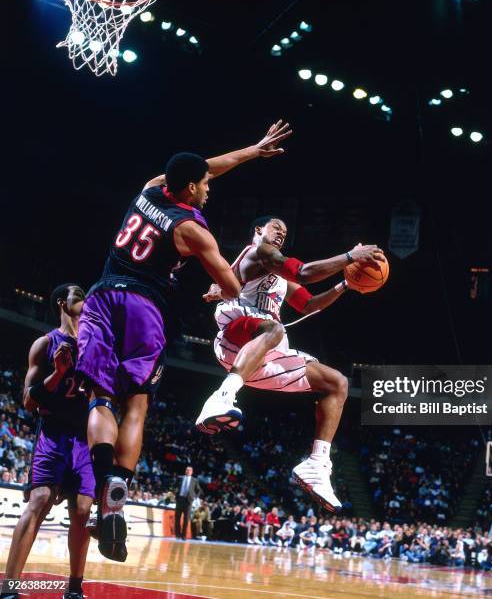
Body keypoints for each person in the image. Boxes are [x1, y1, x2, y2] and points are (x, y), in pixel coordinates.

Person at [75, 121, 292, 561]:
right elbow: (232, 287)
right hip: (144, 309)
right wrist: (226, 280)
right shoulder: (192, 229)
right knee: (136, 403)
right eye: (206, 185)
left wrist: (251, 150)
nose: (210, 187)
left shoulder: (150, 188)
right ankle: (117, 493)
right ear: (191, 188)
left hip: (103, 296)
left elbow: (205, 165)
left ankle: (102, 490)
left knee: (101, 398)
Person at [198, 216, 384, 511]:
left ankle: (318, 464)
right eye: (276, 229)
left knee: (336, 383)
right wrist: (350, 256)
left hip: (261, 355)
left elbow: (309, 305)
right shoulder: (259, 252)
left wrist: (345, 285)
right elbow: (305, 272)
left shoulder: (277, 275)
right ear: (258, 230)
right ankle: (222, 395)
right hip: (236, 339)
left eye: (285, 232)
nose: (282, 234)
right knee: (274, 329)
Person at [1, 284, 93, 599]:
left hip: (84, 439)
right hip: (53, 434)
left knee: (82, 510)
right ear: (61, 303)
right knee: (38, 500)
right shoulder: (45, 343)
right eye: (77, 295)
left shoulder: (95, 346)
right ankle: (9, 587)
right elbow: (27, 401)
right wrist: (57, 373)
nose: (84, 299)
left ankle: (75, 589)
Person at [174, 465, 201, 540]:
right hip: (180, 499)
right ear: (185, 471)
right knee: (177, 518)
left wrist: (194, 497)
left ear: (192, 472)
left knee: (186, 519)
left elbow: (199, 490)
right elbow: (174, 486)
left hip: (188, 501)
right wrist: (175, 492)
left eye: (189, 470)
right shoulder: (180, 478)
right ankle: (177, 534)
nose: (187, 471)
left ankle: (183, 535)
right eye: (186, 470)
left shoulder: (194, 480)